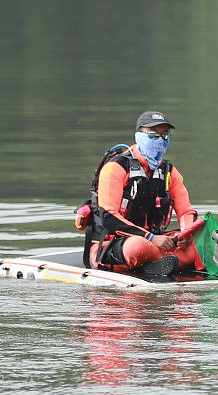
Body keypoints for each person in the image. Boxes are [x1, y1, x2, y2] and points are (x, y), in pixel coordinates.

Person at [86, 110, 203, 276]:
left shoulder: (169, 172)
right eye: (153, 134)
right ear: (138, 136)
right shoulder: (115, 167)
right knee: (138, 247)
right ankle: (166, 262)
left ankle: (160, 263)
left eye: (165, 135)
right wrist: (150, 238)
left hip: (157, 241)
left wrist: (186, 234)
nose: (160, 140)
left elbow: (186, 211)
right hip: (115, 244)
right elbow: (108, 216)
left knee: (200, 240)